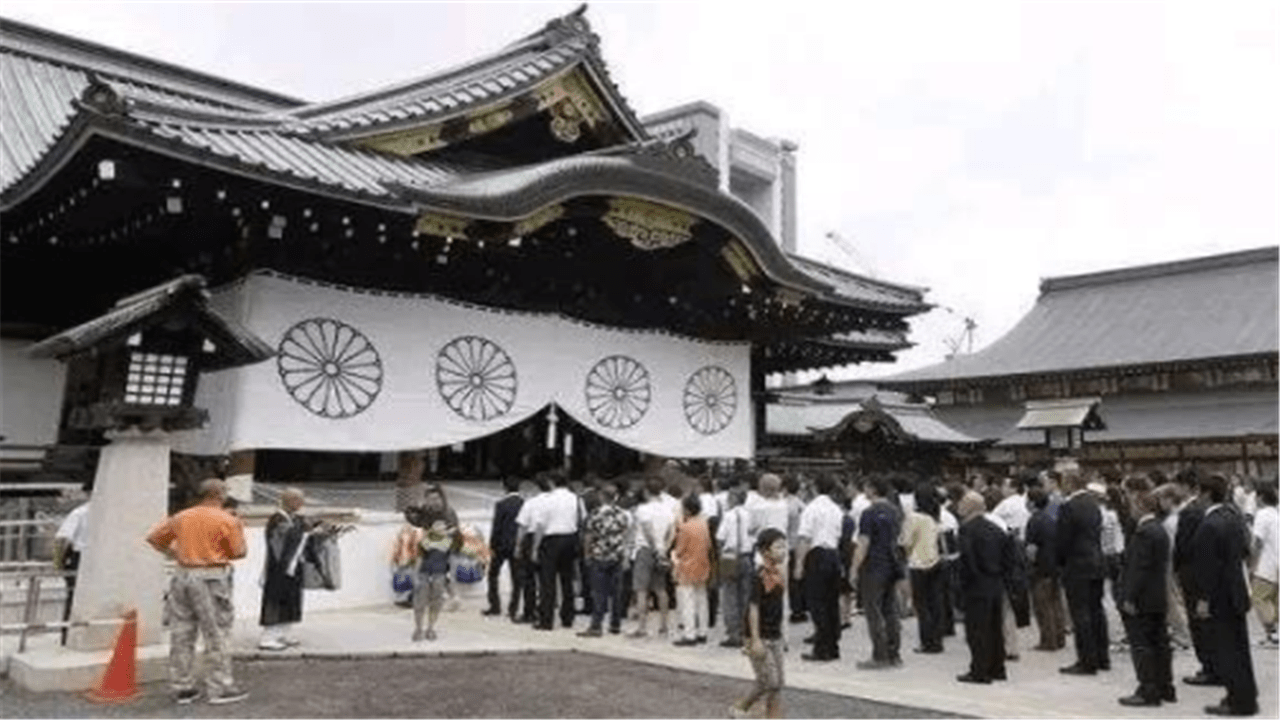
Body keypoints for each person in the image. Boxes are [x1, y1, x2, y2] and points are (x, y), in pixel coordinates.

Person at [146, 478, 249, 705]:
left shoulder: (183, 516)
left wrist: (175, 553)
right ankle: (220, 687)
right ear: (219, 494)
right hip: (211, 575)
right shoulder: (228, 519)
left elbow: (154, 538)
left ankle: (183, 687)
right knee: (217, 632)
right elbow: (239, 552)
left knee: (182, 632)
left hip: (183, 574)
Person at [1191, 474, 1259, 717]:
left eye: (1198, 493)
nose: (1196, 498)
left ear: (1207, 494)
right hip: (1236, 590)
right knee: (1239, 649)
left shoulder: (1210, 525)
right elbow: (1245, 550)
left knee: (1227, 650)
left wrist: (1203, 598)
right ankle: (1245, 695)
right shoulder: (1232, 517)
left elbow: (1208, 567)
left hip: (1220, 596)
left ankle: (1238, 702)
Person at [1116, 481, 1176, 707]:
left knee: (1141, 645)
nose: (1130, 508)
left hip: (1141, 598)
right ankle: (1165, 686)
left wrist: (1129, 596)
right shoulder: (1159, 530)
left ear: (1141, 506)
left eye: (1133, 504)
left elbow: (1137, 568)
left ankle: (1147, 689)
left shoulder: (1144, 532)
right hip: (1157, 596)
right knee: (1160, 642)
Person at [729, 527, 788, 720]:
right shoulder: (759, 576)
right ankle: (742, 706)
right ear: (765, 552)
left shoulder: (778, 574)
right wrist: (755, 640)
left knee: (777, 682)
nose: (783, 550)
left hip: (775, 634)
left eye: (784, 546)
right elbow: (753, 608)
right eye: (778, 547)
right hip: (759, 635)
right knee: (768, 681)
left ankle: (773, 716)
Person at [1056, 471, 1109, 675]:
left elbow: (1063, 540)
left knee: (1081, 613)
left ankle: (1087, 660)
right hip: (1096, 562)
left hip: (1077, 565)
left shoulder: (1069, 507)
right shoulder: (1093, 503)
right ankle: (1102, 656)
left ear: (1069, 483)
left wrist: (1060, 562)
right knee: (1097, 610)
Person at [955, 491, 1009, 684]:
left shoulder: (967, 529)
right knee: (994, 627)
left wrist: (963, 585)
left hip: (977, 584)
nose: (959, 505)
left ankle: (979, 670)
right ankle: (997, 667)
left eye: (962, 502)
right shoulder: (995, 529)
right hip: (995, 582)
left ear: (971, 506)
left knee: (977, 630)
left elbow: (967, 560)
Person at [851, 476, 903, 669]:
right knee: (891, 610)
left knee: (873, 611)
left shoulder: (869, 513)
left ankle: (879, 656)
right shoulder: (896, 511)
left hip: (873, 565)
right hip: (893, 563)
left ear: (872, 489)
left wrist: (854, 569)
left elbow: (863, 542)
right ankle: (894, 654)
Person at [794, 474, 844, 661]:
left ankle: (821, 648)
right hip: (833, 555)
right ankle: (833, 646)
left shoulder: (811, 508)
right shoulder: (836, 509)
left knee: (817, 604)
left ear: (814, 487)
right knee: (831, 603)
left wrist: (799, 563)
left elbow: (805, 537)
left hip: (817, 555)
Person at [405, 484, 461, 641]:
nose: (433, 501)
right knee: (420, 599)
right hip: (425, 566)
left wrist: (449, 534)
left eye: (436, 498)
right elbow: (409, 513)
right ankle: (418, 628)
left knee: (436, 600)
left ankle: (430, 628)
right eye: (430, 499)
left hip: (441, 565)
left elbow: (455, 544)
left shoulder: (449, 514)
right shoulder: (425, 517)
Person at [258, 487, 309, 650]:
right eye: (299, 500)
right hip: (277, 568)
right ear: (291, 501)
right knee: (275, 598)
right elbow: (285, 538)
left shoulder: (294, 518)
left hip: (293, 567)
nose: (302, 503)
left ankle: (283, 633)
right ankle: (267, 638)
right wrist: (306, 531)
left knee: (291, 598)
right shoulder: (277, 519)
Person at [532, 471, 583, 631]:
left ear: (552, 482)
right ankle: (568, 617)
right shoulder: (576, 498)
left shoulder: (548, 499)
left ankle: (546, 620)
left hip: (551, 540)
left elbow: (540, 525)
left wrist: (535, 547)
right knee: (567, 580)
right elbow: (581, 519)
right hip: (570, 538)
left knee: (548, 581)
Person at [578, 482, 630, 637]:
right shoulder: (622, 514)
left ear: (602, 496)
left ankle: (596, 625)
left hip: (600, 555)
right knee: (616, 592)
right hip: (617, 555)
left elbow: (589, 536)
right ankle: (615, 624)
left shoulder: (595, 514)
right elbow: (625, 535)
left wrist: (587, 554)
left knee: (599, 592)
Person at [628, 475, 675, 638]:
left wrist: (655, 548)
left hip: (645, 549)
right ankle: (664, 625)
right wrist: (664, 549)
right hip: (662, 549)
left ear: (647, 491)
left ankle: (642, 627)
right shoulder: (668, 509)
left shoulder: (643, 509)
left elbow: (647, 530)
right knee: (661, 589)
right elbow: (671, 532)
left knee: (642, 589)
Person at [901, 483, 945, 654]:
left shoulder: (913, 517)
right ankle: (937, 640)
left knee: (922, 605)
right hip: (936, 561)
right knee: (935, 602)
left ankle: (927, 642)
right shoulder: (938, 515)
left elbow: (905, 542)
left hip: (918, 563)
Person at [1024, 487, 1065, 651]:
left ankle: (1048, 641)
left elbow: (1031, 549)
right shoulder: (1050, 519)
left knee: (1042, 606)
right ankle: (1059, 637)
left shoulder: (1034, 520)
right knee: (1055, 604)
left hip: (1041, 569)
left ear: (1032, 503)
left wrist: (1029, 564)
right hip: (1054, 566)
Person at [52, 480, 91, 646]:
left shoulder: (80, 512)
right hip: (101, 559)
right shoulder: (112, 513)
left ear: (86, 493)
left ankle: (68, 636)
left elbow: (62, 539)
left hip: (80, 559)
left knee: (74, 598)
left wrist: (57, 564)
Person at [672, 493, 712, 646]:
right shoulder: (703, 524)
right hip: (702, 564)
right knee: (702, 600)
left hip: (687, 566)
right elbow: (708, 545)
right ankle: (703, 632)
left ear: (687, 510)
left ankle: (690, 634)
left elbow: (680, 549)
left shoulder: (685, 527)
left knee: (687, 601)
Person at [717, 485, 753, 648]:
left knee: (729, 596)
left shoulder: (729, 515)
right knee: (746, 595)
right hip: (747, 556)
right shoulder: (750, 515)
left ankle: (734, 632)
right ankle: (747, 629)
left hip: (730, 556)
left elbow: (721, 537)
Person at [484, 477, 524, 620]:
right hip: (517, 545)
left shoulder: (501, 504)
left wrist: (491, 546)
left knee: (493, 575)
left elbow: (497, 527)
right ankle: (513, 608)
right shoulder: (524, 504)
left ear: (505, 488)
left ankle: (495, 605)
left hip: (501, 545)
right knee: (516, 578)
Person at [1249, 482, 1278, 646]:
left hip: (1266, 564)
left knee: (1259, 598)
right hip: (1277, 562)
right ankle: (1272, 634)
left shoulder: (1262, 515)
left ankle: (1272, 633)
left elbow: (1258, 542)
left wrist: (1252, 565)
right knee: (1274, 599)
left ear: (1260, 497)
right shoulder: (1276, 513)